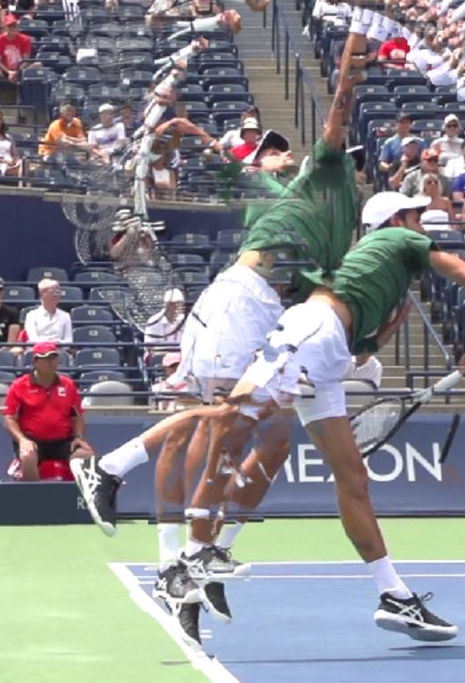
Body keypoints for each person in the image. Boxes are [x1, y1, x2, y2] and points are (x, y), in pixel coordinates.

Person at [71, 31, 371, 637]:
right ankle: (115, 474)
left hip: (267, 317)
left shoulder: (330, 228)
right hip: (239, 301)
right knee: (215, 424)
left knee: (272, 436)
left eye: (282, 148)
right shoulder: (275, 185)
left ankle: (199, 557)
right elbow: (320, 126)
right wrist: (191, 132)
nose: (279, 153)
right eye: (271, 150)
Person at [2, 342, 93, 481]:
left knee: (86, 455)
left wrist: (78, 437)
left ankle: (80, 493)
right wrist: (22, 440)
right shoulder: (19, 386)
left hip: (63, 441)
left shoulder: (68, 385)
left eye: (53, 358)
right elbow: (9, 419)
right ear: (36, 361)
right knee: (28, 456)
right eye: (46, 358)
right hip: (33, 441)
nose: (51, 362)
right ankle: (32, 493)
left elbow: (77, 416)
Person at [0, 14, 37, 108]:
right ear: (5, 27)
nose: (12, 28)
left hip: (20, 69)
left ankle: (30, 99)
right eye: (9, 26)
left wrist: (16, 72)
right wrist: (9, 72)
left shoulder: (25, 39)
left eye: (14, 26)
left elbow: (26, 59)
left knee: (38, 65)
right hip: (4, 70)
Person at [22, 278, 73, 344]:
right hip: (38, 349)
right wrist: (48, 344)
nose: (55, 295)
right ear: (42, 294)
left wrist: (56, 343)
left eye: (58, 292)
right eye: (52, 292)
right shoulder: (31, 315)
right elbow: (33, 339)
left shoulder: (65, 316)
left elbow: (68, 340)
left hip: (58, 349)